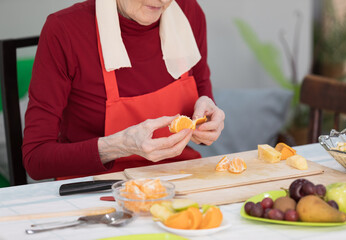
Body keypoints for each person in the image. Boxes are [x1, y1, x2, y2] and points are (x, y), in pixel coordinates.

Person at [22, 0, 225, 180]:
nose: (164, 1)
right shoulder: (65, 30)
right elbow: (36, 158)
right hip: (96, 189)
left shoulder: (188, 12)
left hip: (178, 180)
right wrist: (118, 146)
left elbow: (202, 94)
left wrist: (207, 119)